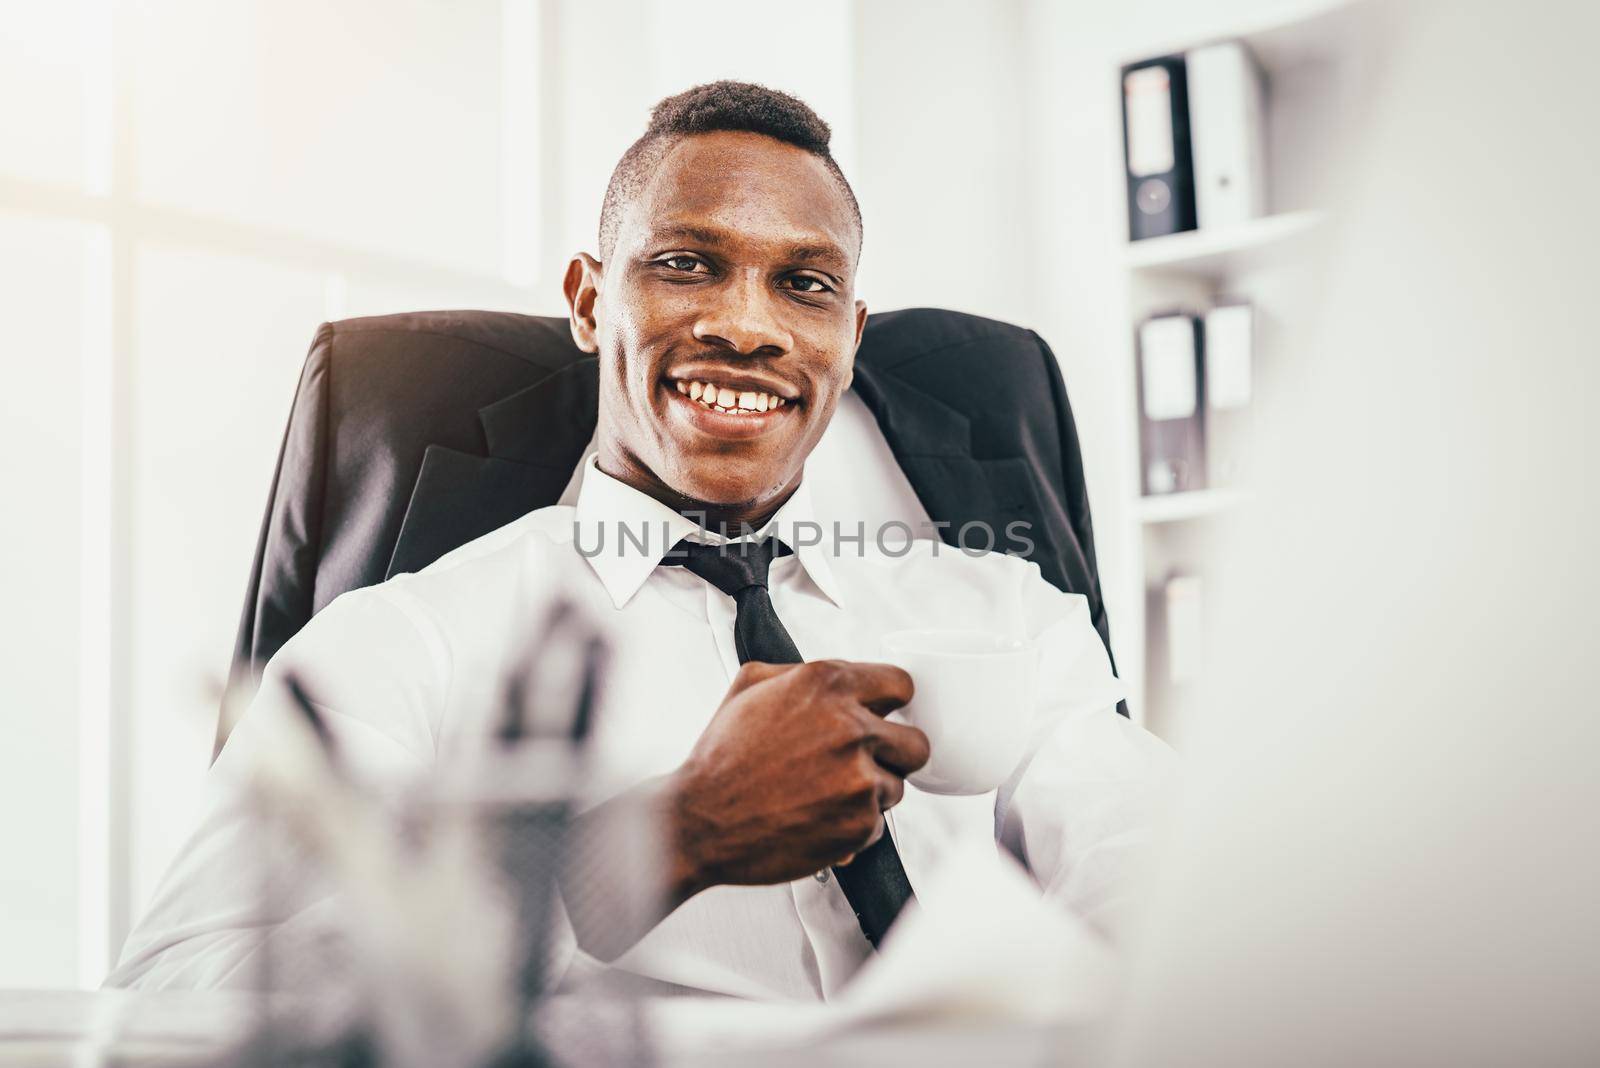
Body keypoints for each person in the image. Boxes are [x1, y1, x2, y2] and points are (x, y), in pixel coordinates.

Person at [109, 82, 1173, 999]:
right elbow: (178, 995)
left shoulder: (1013, 621)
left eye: (804, 284)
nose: (747, 327)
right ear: (588, 300)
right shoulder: (405, 641)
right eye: (686, 265)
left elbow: (1163, 892)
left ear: (849, 338)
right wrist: (661, 839)